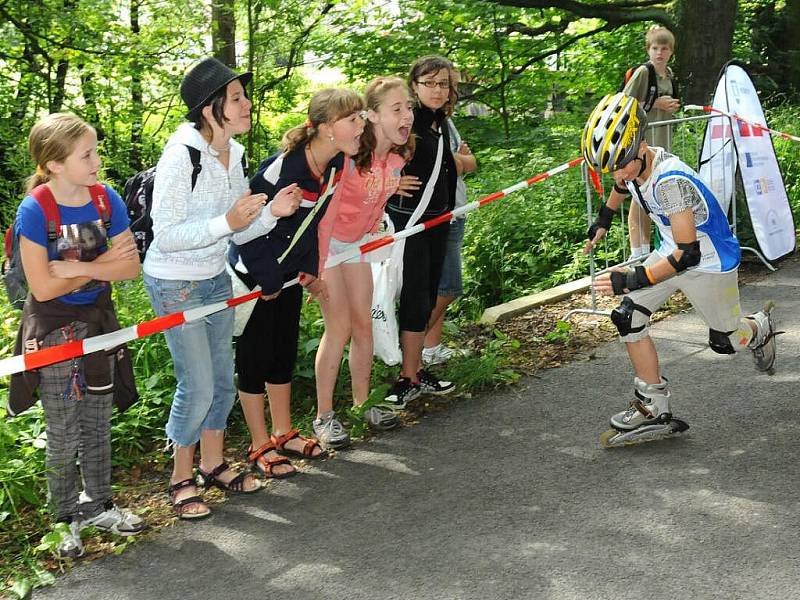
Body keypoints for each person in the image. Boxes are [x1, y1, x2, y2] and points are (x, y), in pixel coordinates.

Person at [582, 93, 778, 448]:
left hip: (708, 261)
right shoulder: (634, 164)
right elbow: (621, 186)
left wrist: (630, 279)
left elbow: (688, 255)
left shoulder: (670, 182)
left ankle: (758, 328)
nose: (619, 173)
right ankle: (652, 406)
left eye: (622, 163)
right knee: (628, 316)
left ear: (641, 144)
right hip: (672, 248)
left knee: (727, 342)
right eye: (612, 166)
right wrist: (604, 219)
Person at [12, 113, 144, 558]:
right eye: (86, 154)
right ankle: (63, 518)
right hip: (52, 330)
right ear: (54, 164)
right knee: (64, 429)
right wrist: (102, 263)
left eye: (96, 151)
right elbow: (43, 287)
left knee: (97, 420)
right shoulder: (36, 208)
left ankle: (100, 504)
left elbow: (130, 267)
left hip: (100, 323)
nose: (97, 161)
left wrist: (79, 267)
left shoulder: (106, 201)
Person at [143, 57, 267, 520]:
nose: (246, 104)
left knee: (220, 381)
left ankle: (213, 464)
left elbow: (239, 228)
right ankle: (180, 477)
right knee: (195, 386)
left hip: (215, 276)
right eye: (236, 98)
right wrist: (226, 221)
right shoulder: (181, 155)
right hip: (175, 282)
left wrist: (273, 213)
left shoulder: (234, 153)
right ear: (210, 109)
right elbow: (167, 232)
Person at [229, 88, 365, 464]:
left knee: (282, 354)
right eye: (352, 120)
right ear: (324, 128)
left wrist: (310, 269)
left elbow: (314, 219)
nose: (361, 127)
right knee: (254, 359)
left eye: (362, 118)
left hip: (288, 276)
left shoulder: (336, 164)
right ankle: (259, 444)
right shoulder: (281, 169)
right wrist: (267, 278)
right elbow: (245, 230)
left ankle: (283, 432)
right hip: (254, 277)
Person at [313, 77, 417, 446]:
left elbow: (374, 206)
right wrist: (317, 267)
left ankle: (362, 404)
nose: (407, 115)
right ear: (372, 116)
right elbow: (326, 215)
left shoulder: (395, 159)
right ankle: (324, 416)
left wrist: (374, 238)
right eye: (397, 109)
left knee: (364, 327)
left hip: (357, 246)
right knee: (338, 329)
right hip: (328, 248)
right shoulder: (351, 157)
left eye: (409, 108)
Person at [383, 55, 459, 408]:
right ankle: (405, 377)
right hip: (410, 225)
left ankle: (414, 372)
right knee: (414, 299)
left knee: (427, 297)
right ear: (414, 85)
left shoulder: (439, 124)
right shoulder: (406, 125)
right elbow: (367, 158)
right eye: (429, 83)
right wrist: (389, 184)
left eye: (443, 83)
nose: (437, 90)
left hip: (439, 222)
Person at [421, 105, 477, 366]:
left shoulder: (446, 122)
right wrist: (458, 160)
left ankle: (430, 349)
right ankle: (409, 344)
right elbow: (450, 163)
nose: (445, 91)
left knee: (440, 288)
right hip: (440, 214)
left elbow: (469, 163)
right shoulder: (421, 124)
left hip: (457, 209)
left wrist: (460, 161)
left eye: (447, 85)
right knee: (449, 288)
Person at [623, 26, 680, 260]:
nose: (659, 53)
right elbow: (624, 102)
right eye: (655, 48)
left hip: (662, 142)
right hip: (642, 143)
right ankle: (637, 253)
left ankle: (651, 251)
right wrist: (656, 104)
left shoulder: (669, 74)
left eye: (664, 48)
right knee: (639, 194)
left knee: (652, 195)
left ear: (671, 52)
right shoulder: (643, 73)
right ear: (648, 49)